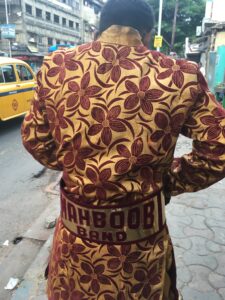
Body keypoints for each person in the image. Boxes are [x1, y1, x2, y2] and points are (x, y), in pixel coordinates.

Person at [21, 0, 225, 299]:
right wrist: (169, 180)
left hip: (75, 248)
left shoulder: (56, 67)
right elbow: (219, 148)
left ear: (98, 30)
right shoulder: (180, 75)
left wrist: (76, 165)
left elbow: (35, 138)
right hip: (141, 252)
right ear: (147, 33)